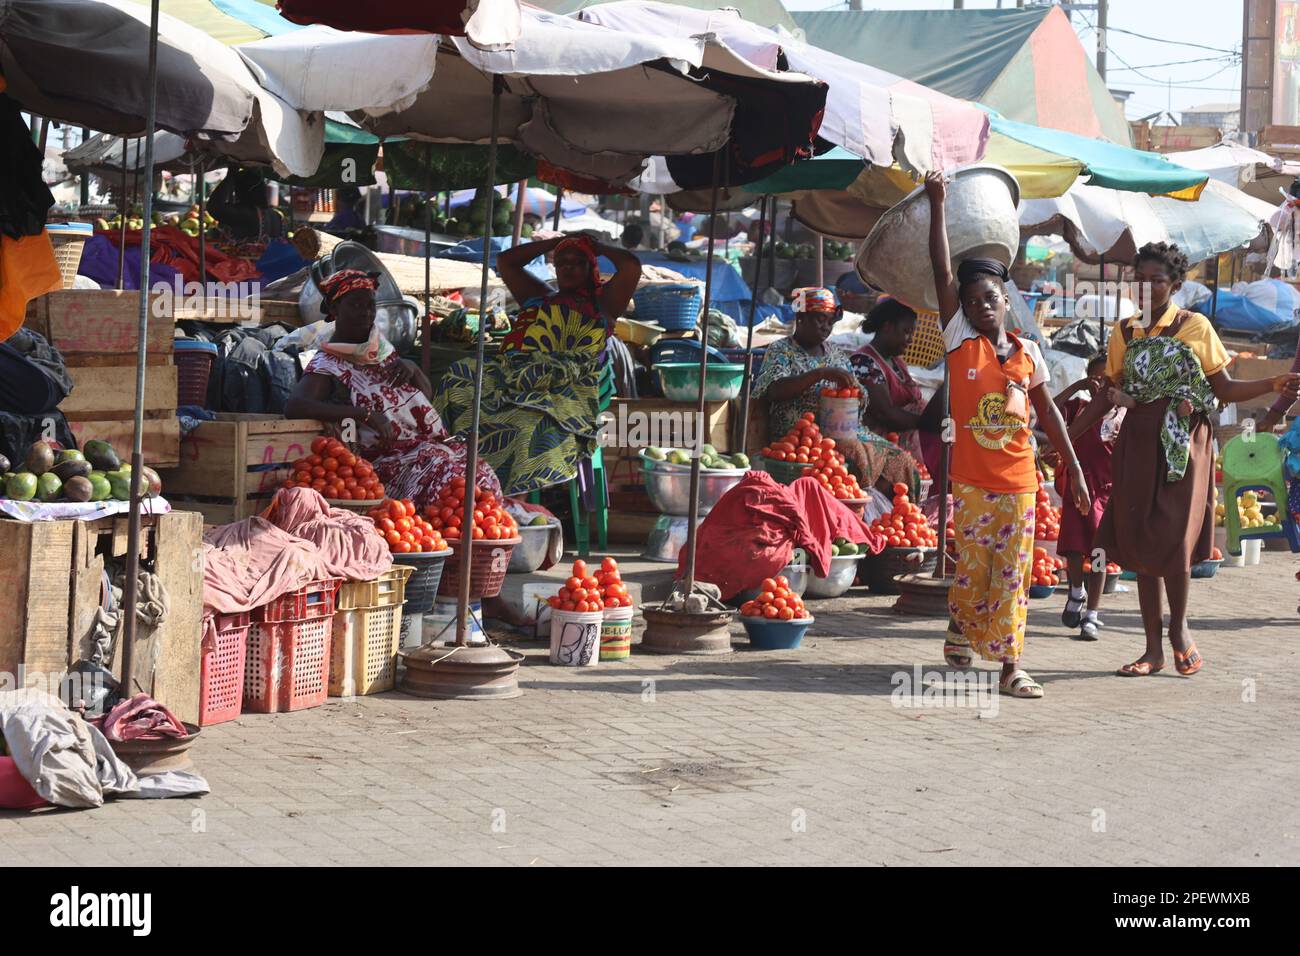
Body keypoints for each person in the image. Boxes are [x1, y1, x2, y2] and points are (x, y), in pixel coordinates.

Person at [1068, 241, 1300, 678]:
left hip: (1185, 445)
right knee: (1140, 536)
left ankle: (1180, 629)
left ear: (1175, 284)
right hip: (1136, 444)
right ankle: (1152, 648)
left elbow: (1226, 389)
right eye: (1138, 279)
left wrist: (1273, 382)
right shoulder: (1124, 332)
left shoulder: (1196, 326)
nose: (1145, 286)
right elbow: (1108, 396)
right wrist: (1065, 438)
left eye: (1156, 279)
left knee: (1173, 538)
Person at [926, 171, 1091, 700]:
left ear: (1005, 299)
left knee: (1013, 577)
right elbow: (939, 270)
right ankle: (961, 625)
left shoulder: (1028, 354)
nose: (980, 308)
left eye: (989, 299)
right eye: (971, 302)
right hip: (972, 482)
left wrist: (1076, 472)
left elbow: (1051, 416)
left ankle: (1010, 668)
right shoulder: (959, 343)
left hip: (1020, 482)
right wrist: (938, 203)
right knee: (974, 573)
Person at [432, 234, 641, 494]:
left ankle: (508, 494)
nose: (568, 267)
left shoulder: (605, 302)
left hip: (569, 388)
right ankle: (457, 471)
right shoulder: (540, 296)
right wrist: (555, 244)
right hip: (516, 376)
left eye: (577, 262)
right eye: (562, 262)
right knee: (460, 376)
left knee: (523, 425)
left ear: (591, 268)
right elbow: (506, 261)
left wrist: (595, 247)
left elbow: (631, 266)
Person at [283, 270, 500, 509]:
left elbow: (425, 397)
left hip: (424, 445)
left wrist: (413, 368)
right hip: (383, 460)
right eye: (355, 304)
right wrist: (362, 414)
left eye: (370, 305)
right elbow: (296, 406)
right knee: (445, 471)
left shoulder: (381, 347)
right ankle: (436, 528)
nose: (366, 312)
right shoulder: (328, 362)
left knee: (477, 471)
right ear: (334, 310)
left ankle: (474, 532)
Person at [751, 287, 921, 497]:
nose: (826, 326)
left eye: (831, 321)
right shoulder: (781, 350)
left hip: (842, 430)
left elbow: (861, 398)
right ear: (801, 317)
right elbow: (773, 390)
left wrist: (855, 393)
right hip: (799, 437)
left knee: (899, 458)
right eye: (820, 319)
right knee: (855, 453)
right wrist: (819, 374)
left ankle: (894, 516)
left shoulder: (836, 354)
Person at [1053, 352, 1125, 640]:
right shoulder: (1079, 408)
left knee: (1099, 552)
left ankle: (1092, 614)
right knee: (1073, 547)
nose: (1102, 386)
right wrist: (1077, 386)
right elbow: (1048, 410)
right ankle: (1074, 592)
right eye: (1097, 378)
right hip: (1076, 485)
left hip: (1105, 493)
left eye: (1109, 381)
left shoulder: (1122, 415)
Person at [850, 298, 942, 477]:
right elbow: (885, 413)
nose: (910, 340)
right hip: (881, 443)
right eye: (906, 332)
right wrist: (927, 424)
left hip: (908, 435)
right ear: (887, 327)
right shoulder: (864, 363)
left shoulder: (896, 361)